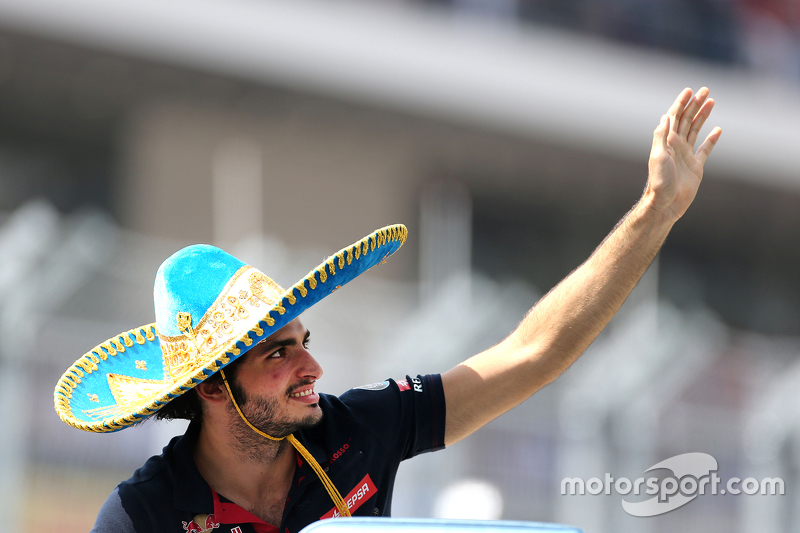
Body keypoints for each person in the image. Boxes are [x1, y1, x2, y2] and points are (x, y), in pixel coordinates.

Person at [54, 87, 721, 533]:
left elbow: (530, 353)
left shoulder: (363, 428)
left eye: (302, 339)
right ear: (209, 383)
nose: (311, 364)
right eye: (276, 351)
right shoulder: (140, 516)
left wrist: (656, 211)